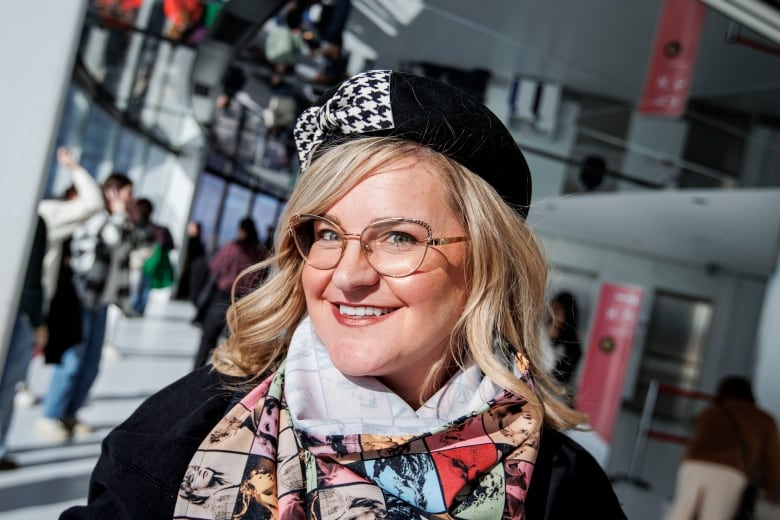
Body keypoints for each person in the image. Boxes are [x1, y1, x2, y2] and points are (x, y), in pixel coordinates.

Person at [61, 70, 626, 519]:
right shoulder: (184, 431)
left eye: (399, 237)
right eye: (327, 234)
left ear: (486, 264)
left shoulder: (562, 491)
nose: (348, 275)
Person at [36, 170, 135, 441]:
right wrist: (117, 214)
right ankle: (50, 414)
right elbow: (111, 239)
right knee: (72, 359)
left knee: (91, 362)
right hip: (81, 298)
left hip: (100, 300)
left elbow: (128, 247)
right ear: (113, 193)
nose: (131, 199)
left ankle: (70, 412)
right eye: (128, 193)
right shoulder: (95, 218)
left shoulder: (118, 219)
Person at [664, 375, 780, 520]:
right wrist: (771, 486)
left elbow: (696, 437)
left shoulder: (710, 412)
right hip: (730, 471)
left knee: (680, 513)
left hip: (693, 465)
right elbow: (772, 459)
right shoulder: (765, 420)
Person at [0, 217, 47, 470]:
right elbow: (32, 275)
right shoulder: (31, 219)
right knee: (8, 384)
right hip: (19, 311)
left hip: (20, 309)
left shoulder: (33, 217)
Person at [192, 217, 265, 369]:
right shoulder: (259, 254)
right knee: (233, 348)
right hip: (243, 303)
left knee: (206, 343)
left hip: (220, 299)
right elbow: (260, 279)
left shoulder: (231, 248)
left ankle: (196, 374)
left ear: (241, 230)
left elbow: (214, 267)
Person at [544, 291, 582, 395]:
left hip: (554, 393)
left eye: (556, 310)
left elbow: (563, 378)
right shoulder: (540, 330)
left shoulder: (573, 346)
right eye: (551, 308)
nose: (551, 313)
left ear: (567, 314)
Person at [175, 220, 206, 302]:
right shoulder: (188, 240)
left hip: (192, 267)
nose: (189, 228)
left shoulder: (195, 242)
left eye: (192, 227)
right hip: (188, 266)